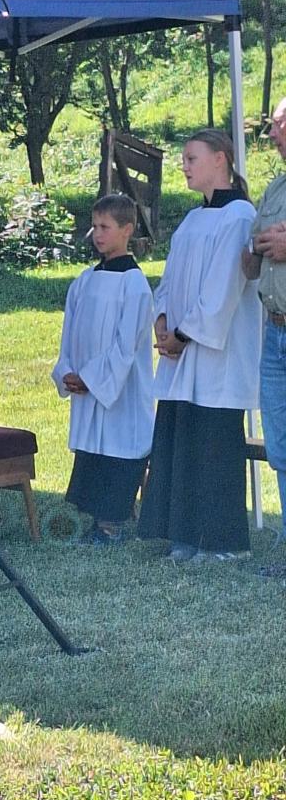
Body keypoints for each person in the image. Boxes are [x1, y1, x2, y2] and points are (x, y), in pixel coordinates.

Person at [138, 129, 260, 562]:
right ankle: (186, 535)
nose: (184, 166)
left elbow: (223, 289)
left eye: (192, 158)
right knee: (184, 441)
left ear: (220, 159)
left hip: (216, 355)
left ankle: (223, 542)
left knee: (214, 445)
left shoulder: (240, 216)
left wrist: (184, 335)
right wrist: (162, 322)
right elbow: (170, 281)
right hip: (181, 352)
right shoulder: (192, 220)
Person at [52, 194, 154, 545]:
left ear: (127, 230)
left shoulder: (134, 284)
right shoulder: (84, 281)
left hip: (119, 390)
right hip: (85, 382)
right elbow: (70, 334)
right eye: (94, 226)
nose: (97, 234)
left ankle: (112, 523)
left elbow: (126, 346)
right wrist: (68, 370)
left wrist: (93, 378)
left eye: (105, 227)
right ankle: (95, 518)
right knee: (94, 450)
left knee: (118, 449)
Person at [241, 97, 286, 544]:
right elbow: (250, 262)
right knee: (281, 446)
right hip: (274, 332)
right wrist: (255, 245)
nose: (271, 134)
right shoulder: (275, 189)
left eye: (279, 124)